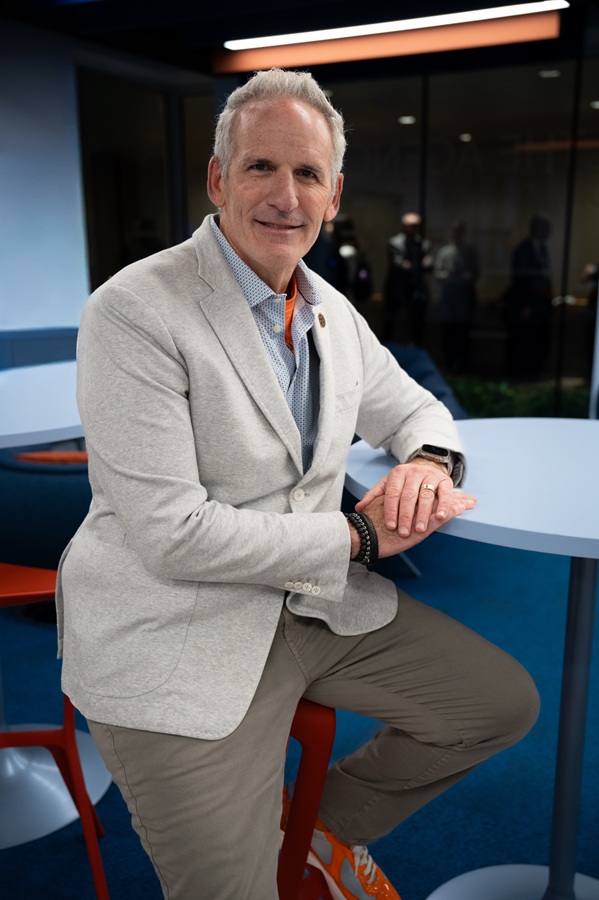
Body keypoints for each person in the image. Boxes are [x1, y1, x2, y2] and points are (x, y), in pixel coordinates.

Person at [57, 68, 539, 900]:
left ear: (333, 193)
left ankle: (322, 830)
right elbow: (172, 533)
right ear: (218, 178)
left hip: (305, 603)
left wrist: (426, 462)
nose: (285, 195)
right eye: (259, 168)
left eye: (307, 174)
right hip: (172, 627)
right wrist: (357, 536)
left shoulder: (329, 311)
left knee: (496, 705)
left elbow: (416, 408)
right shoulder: (134, 310)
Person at [504, 214, 554, 380]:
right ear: (537, 230)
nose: (548, 232)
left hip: (540, 305)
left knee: (538, 339)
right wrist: (524, 305)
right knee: (525, 341)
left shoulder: (543, 248)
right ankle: (522, 374)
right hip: (526, 305)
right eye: (545, 229)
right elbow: (520, 279)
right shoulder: (523, 249)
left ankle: (534, 372)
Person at [434, 219, 480, 374]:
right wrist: (448, 276)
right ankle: (448, 364)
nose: (456, 233)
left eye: (459, 230)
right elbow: (438, 273)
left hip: (464, 299)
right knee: (448, 333)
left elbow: (474, 273)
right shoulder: (444, 252)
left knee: (462, 334)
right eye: (454, 230)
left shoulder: (470, 252)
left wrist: (464, 278)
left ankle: (461, 365)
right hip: (449, 298)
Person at [383, 211, 433, 346]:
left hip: (415, 291)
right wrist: (418, 265)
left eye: (415, 226)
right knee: (391, 321)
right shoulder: (395, 243)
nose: (411, 229)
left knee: (416, 323)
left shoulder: (423, 244)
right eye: (409, 225)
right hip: (398, 290)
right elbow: (400, 265)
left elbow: (429, 265)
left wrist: (412, 265)